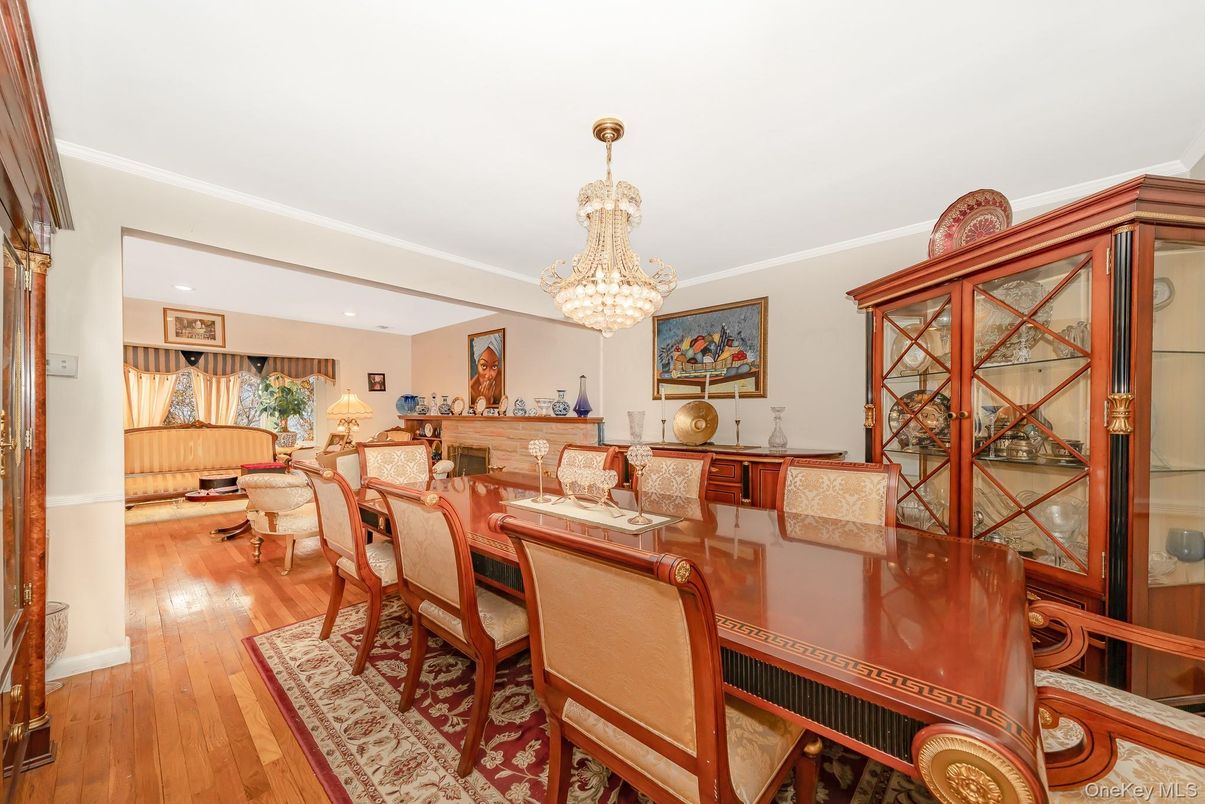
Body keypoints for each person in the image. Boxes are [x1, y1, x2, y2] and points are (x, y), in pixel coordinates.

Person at [469, 333, 503, 406]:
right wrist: (486, 401)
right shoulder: (471, 390)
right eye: (484, 366)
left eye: (494, 367)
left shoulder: (503, 381)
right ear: (477, 363)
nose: (488, 375)